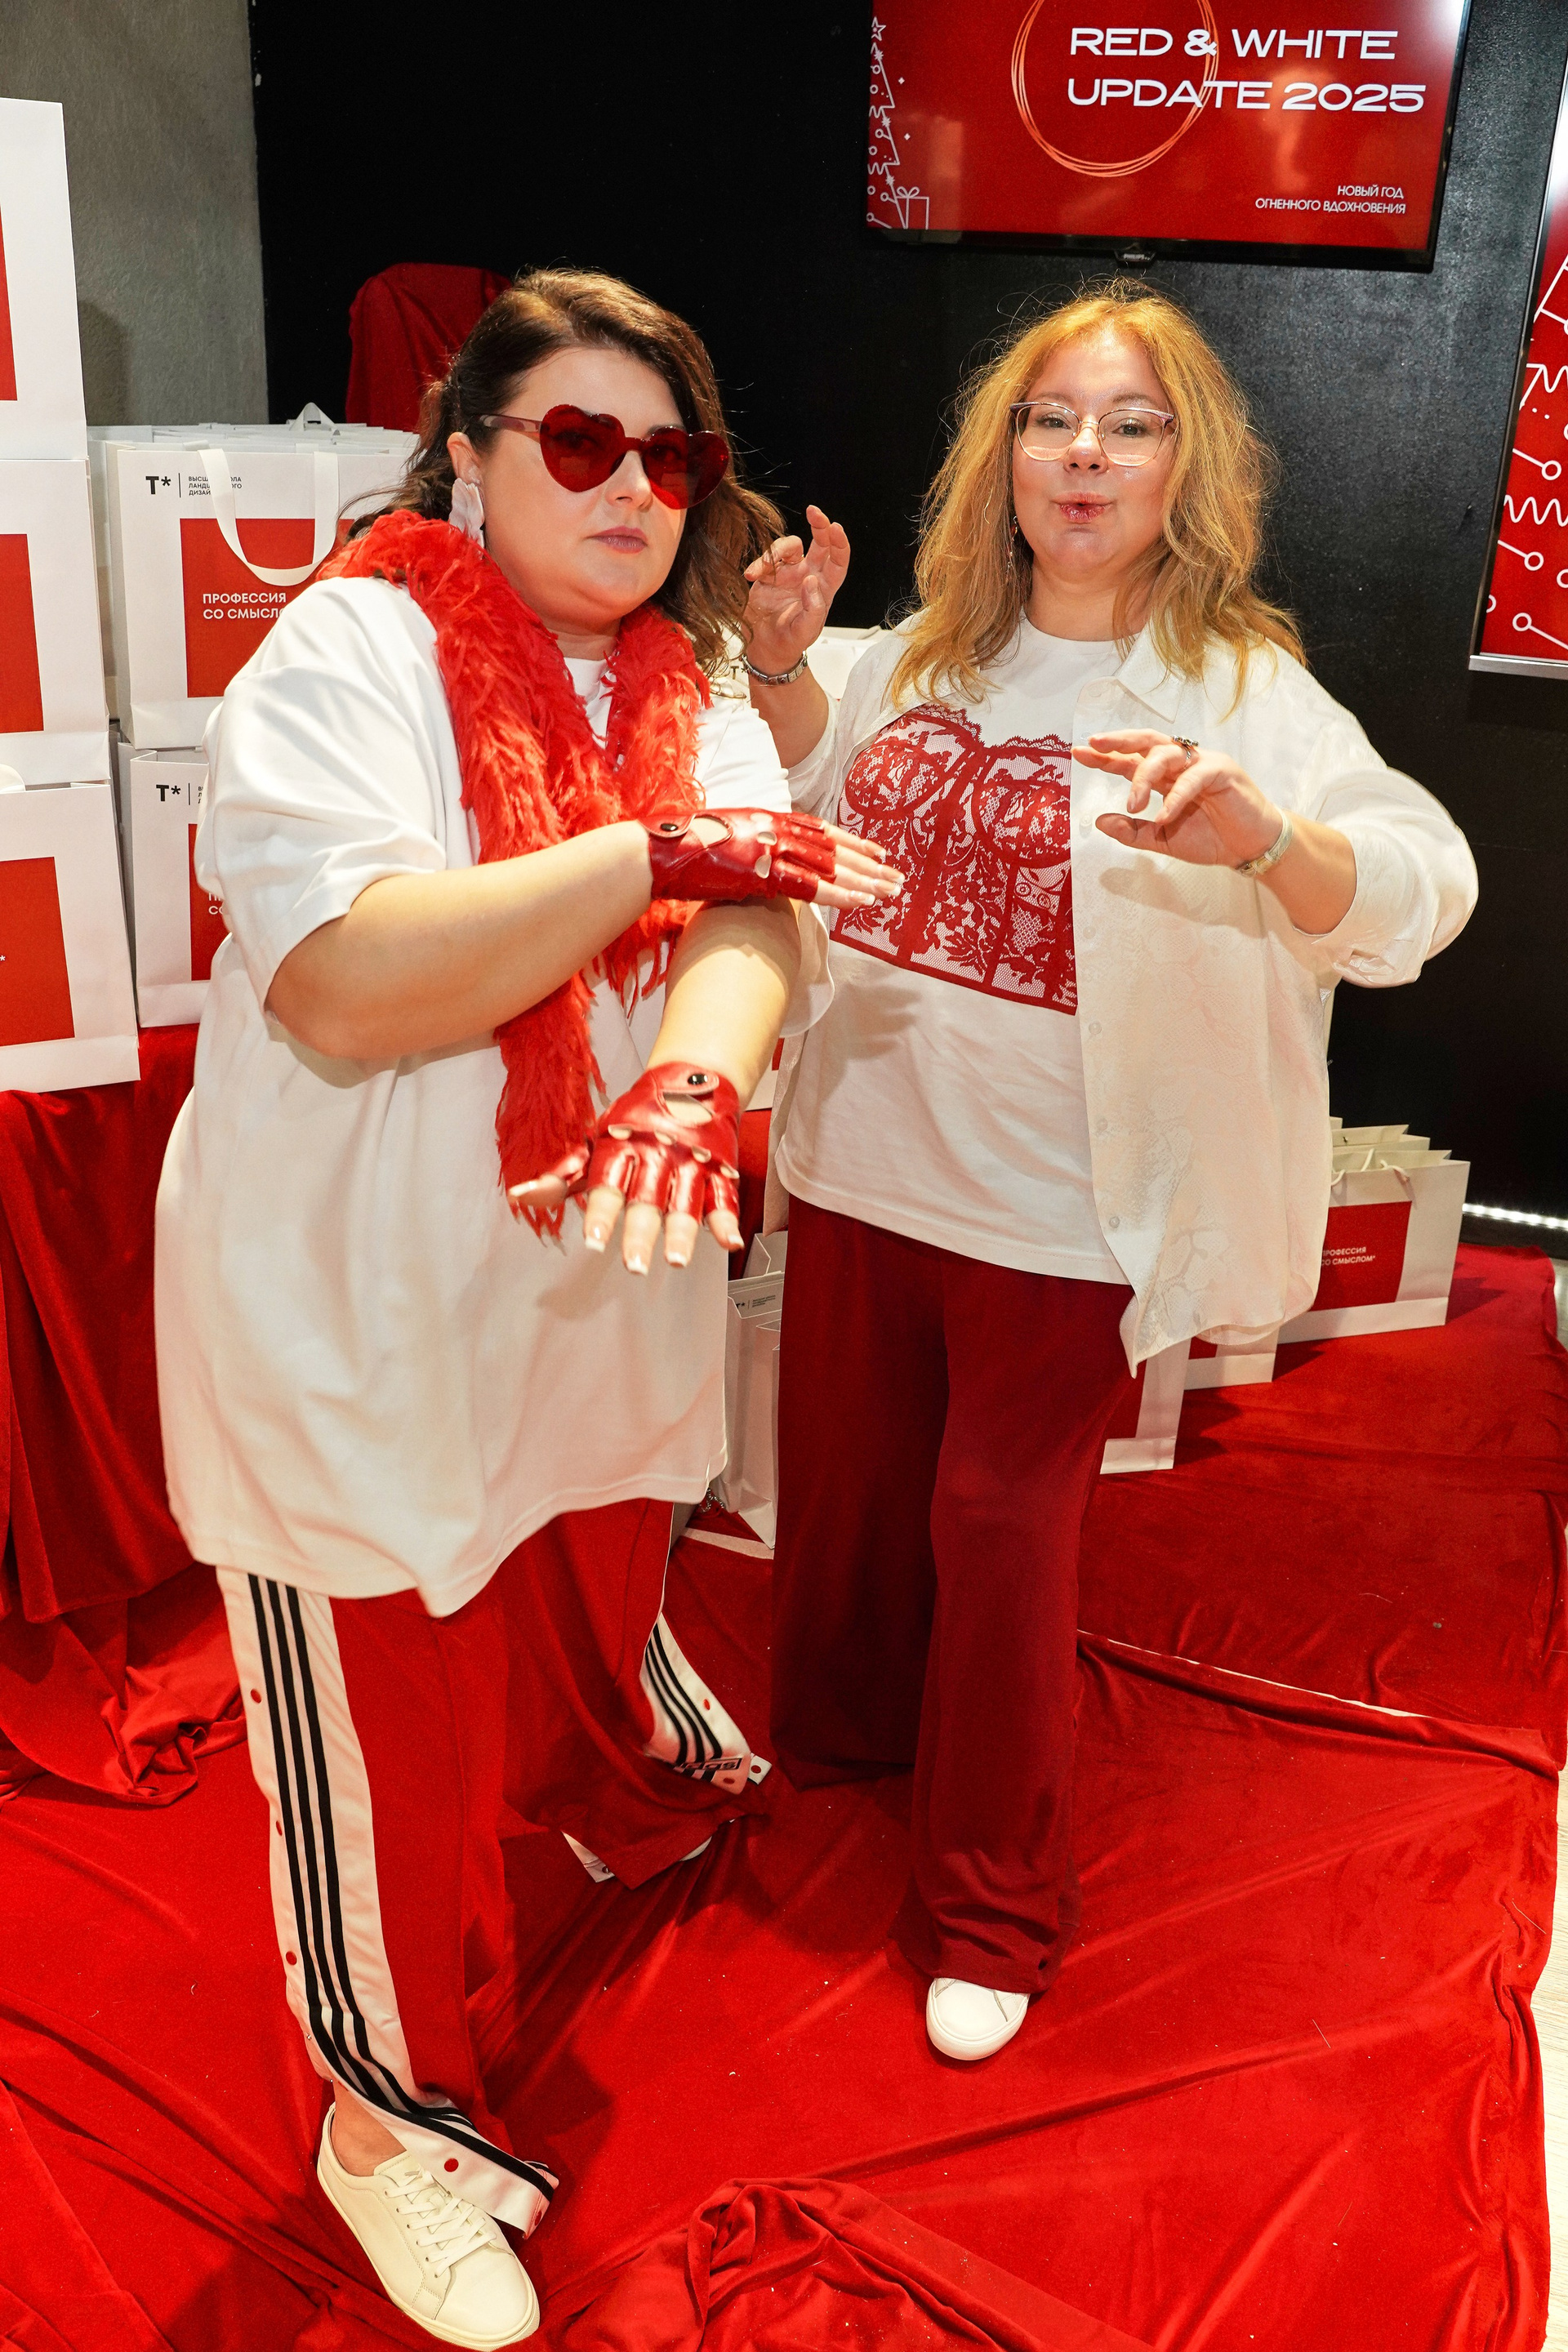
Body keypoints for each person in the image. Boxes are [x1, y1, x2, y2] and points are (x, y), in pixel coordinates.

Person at [154, 269, 898, 2349]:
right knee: (392, 1724)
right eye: (579, 440)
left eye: (673, 453)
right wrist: (649, 852)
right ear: (468, 457)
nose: (633, 486)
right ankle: (383, 2127)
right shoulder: (352, 645)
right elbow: (354, 980)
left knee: (583, 1588)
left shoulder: (684, 675)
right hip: (360, 1302)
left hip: (596, 1260)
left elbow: (756, 912)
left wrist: (696, 1079)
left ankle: (598, 1804)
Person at [742, 281, 1476, 2069]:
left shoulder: (1245, 692)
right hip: (864, 1165)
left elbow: (1421, 885)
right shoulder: (919, 652)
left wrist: (1270, 841)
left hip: (1059, 1216)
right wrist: (778, 664)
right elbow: (799, 787)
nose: (1086, 454)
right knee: (847, 1502)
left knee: (999, 1537)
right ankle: (840, 1755)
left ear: (1186, 469)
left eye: (1132, 426)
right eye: (1053, 419)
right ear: (1002, 455)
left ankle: (991, 1901)